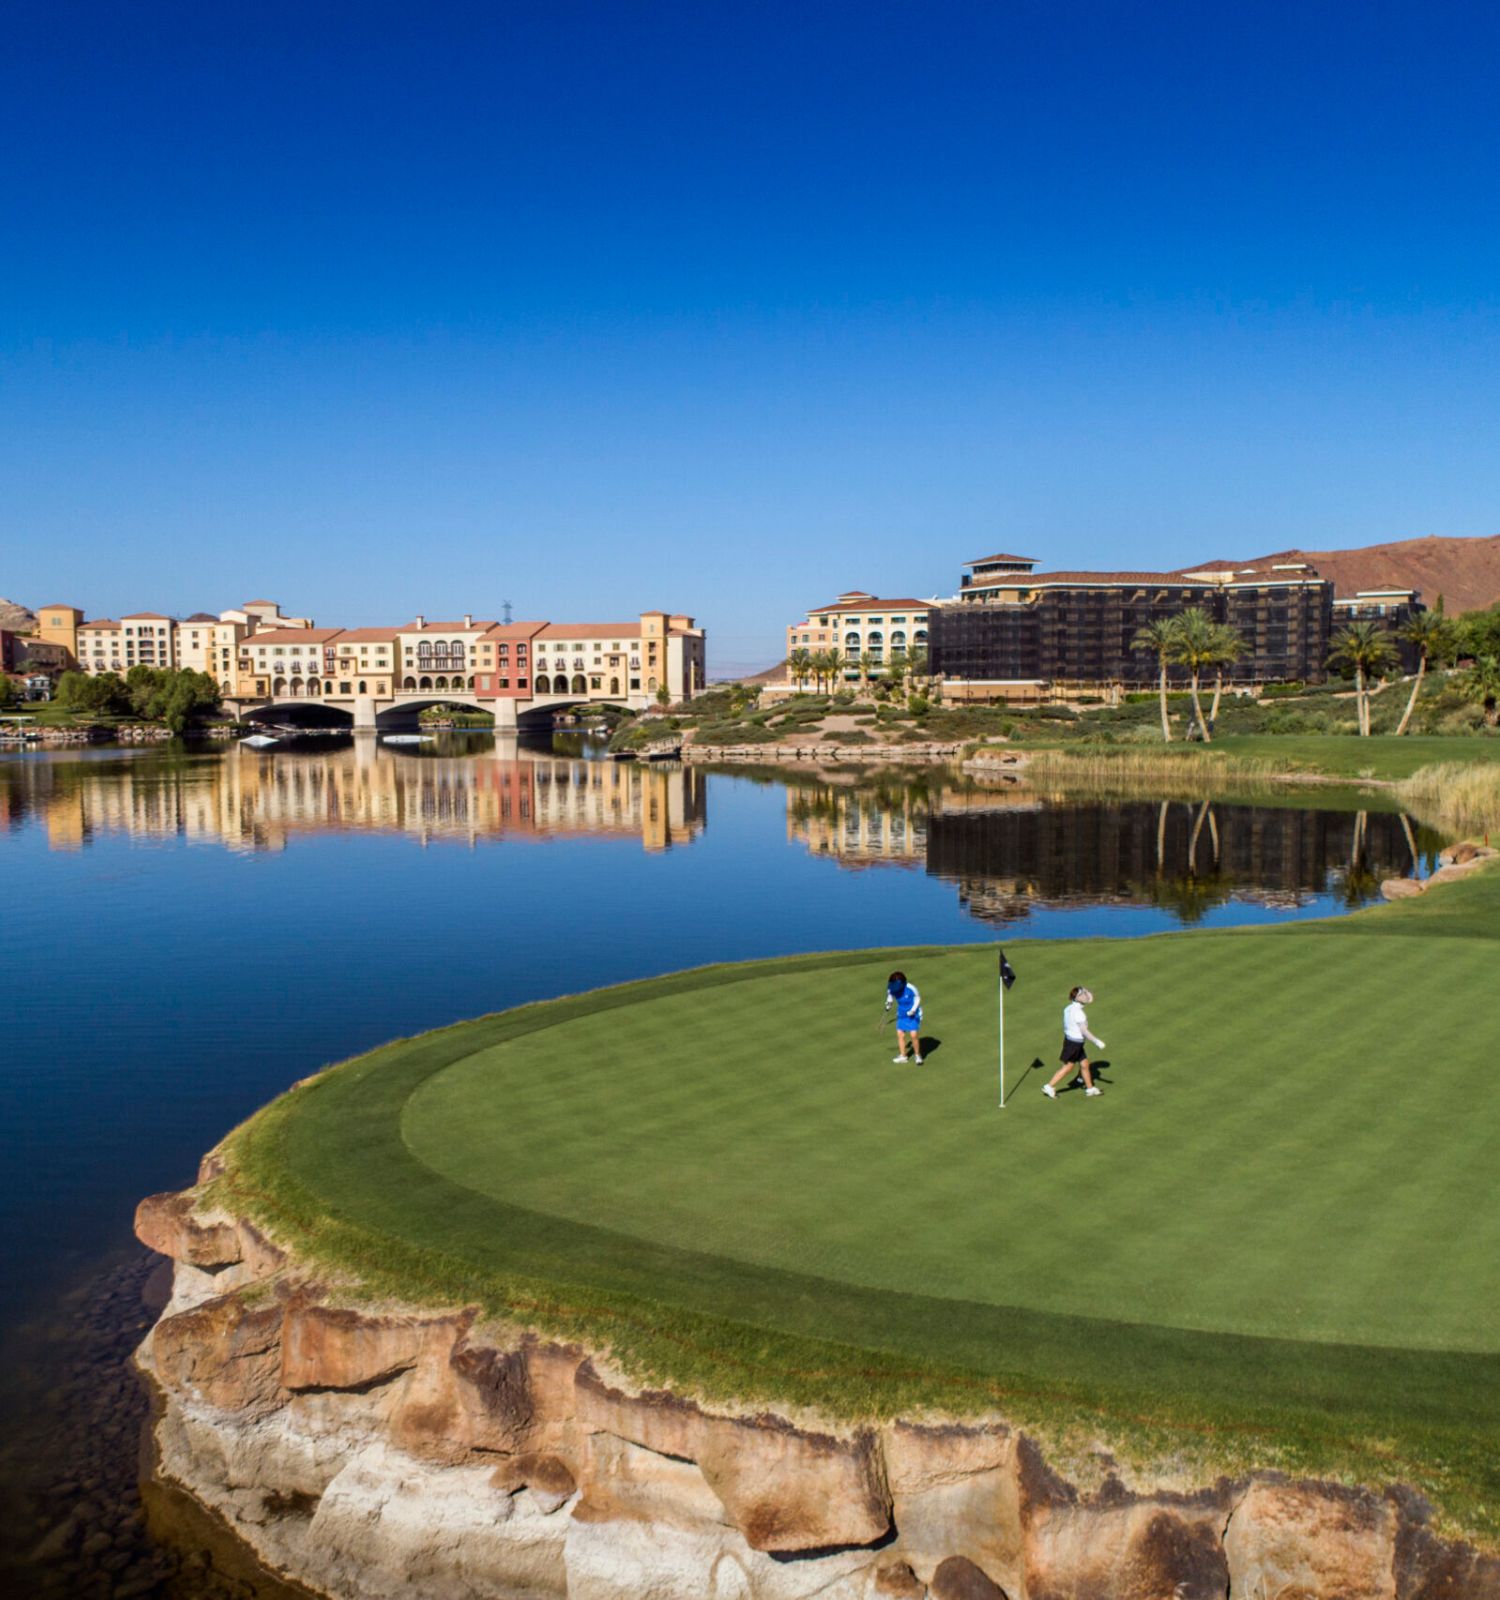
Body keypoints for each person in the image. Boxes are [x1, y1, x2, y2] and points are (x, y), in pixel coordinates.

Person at [1043, 986, 1105, 1099]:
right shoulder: (1079, 1013)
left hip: (1071, 1041)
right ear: (1077, 998)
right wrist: (1096, 1041)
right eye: (1083, 994)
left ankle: (1090, 1089)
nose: (1085, 996)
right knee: (1068, 1067)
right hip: (1074, 1044)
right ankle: (1049, 1086)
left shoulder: (1068, 1008)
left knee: (1084, 1064)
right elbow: (1084, 1031)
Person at [884, 970, 923, 1064]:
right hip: (902, 1013)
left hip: (914, 1013)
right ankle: (903, 1056)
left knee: (913, 1035)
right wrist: (889, 1004)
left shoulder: (911, 988)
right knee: (900, 1034)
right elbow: (890, 996)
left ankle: (917, 1055)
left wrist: (913, 1010)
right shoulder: (891, 988)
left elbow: (917, 998)